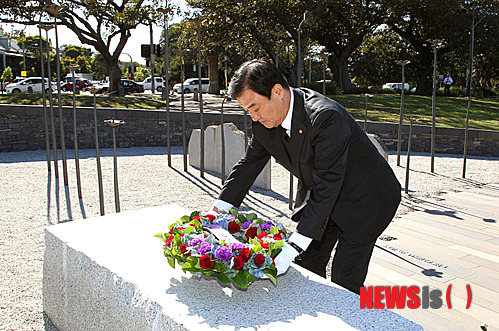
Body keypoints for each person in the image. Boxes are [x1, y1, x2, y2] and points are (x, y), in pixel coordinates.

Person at [212, 59, 401, 294]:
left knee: (345, 279)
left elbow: (328, 183)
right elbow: (248, 165)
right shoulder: (264, 124)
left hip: (367, 199)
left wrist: (294, 244)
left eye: (255, 108)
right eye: (247, 111)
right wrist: (218, 210)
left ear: (277, 91)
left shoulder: (326, 117)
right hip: (325, 198)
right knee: (308, 264)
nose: (253, 118)